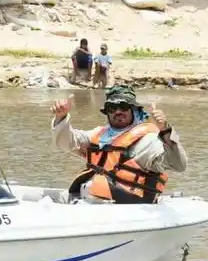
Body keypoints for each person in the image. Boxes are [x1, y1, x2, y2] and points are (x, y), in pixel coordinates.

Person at [50, 85, 187, 204]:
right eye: (112, 108)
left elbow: (178, 165)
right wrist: (61, 117)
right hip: (93, 198)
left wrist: (165, 130)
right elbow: (67, 142)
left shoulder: (148, 140)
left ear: (134, 110)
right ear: (107, 112)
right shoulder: (98, 135)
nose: (118, 112)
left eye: (123, 106)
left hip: (128, 204)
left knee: (90, 191)